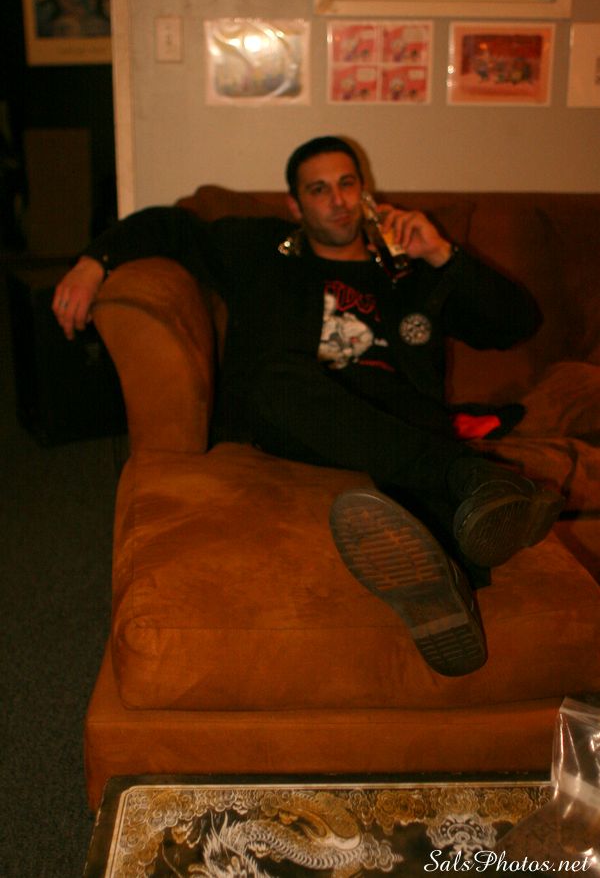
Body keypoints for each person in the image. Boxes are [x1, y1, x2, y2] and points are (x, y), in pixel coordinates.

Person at [52, 135, 564, 678]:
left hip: (399, 414)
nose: (338, 201)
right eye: (319, 190)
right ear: (295, 206)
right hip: (295, 407)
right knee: (274, 381)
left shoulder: (407, 267)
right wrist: (94, 262)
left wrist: (442, 255)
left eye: (347, 184)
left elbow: (515, 324)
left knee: (416, 437)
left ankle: (448, 597)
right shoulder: (262, 250)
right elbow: (170, 227)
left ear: (364, 191)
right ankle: (472, 478)